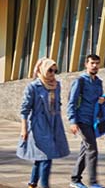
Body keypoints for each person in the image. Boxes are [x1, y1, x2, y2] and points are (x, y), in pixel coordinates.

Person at [17, 57, 70, 188]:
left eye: (55, 70)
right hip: (38, 125)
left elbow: (56, 104)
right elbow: (24, 110)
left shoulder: (57, 86)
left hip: (54, 123)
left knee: (41, 157)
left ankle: (32, 184)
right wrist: (24, 129)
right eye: (50, 70)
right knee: (47, 157)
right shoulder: (33, 87)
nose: (52, 73)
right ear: (42, 70)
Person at [67, 53, 105, 188]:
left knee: (86, 150)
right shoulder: (80, 81)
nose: (95, 66)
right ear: (86, 64)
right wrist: (72, 121)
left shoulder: (99, 82)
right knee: (92, 150)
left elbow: (98, 101)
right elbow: (71, 102)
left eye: (97, 63)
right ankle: (93, 182)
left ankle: (75, 179)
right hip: (82, 120)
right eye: (92, 63)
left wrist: (102, 100)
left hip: (92, 121)